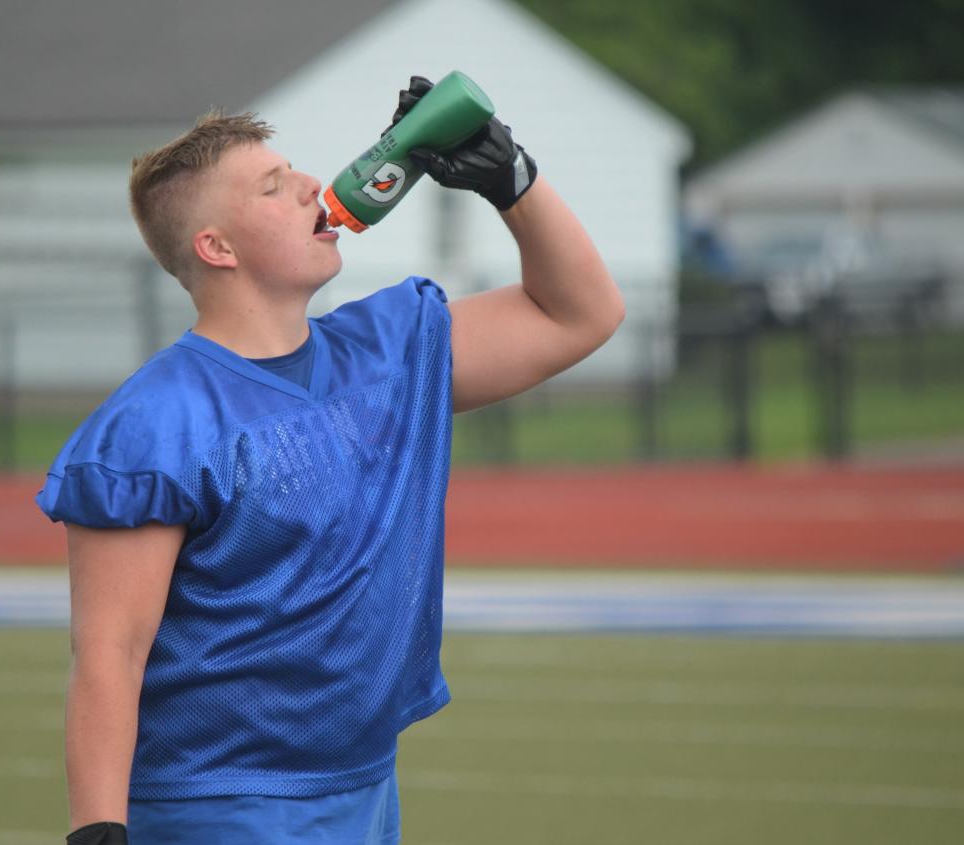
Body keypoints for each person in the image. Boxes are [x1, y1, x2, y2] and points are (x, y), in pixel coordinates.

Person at [36, 75, 625, 845]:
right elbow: (110, 649)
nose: (313, 183)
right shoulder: (156, 422)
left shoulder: (388, 351)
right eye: (275, 187)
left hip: (365, 786)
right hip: (220, 801)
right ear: (217, 247)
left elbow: (583, 312)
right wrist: (98, 828)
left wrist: (511, 181)